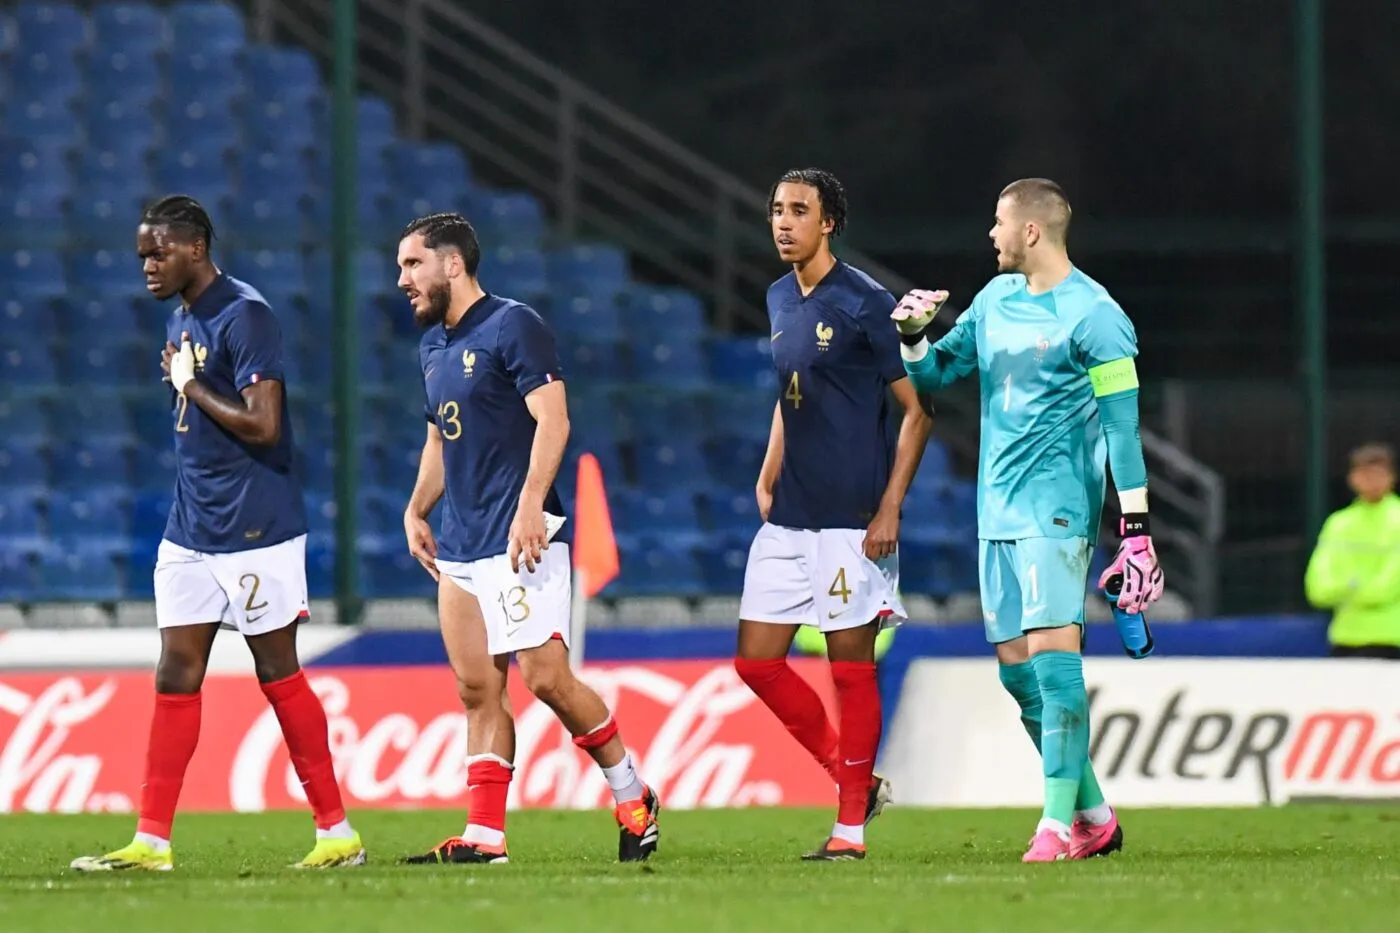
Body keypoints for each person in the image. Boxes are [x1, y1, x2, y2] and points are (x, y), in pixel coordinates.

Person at [71, 196, 363, 872]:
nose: (146, 264)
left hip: (255, 525)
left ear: (195, 247)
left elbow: (264, 424)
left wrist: (193, 385)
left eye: (157, 251)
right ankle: (152, 840)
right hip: (191, 528)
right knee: (176, 669)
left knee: (276, 670)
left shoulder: (245, 315)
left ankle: (337, 831)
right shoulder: (183, 316)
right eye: (143, 252)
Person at [891, 178, 1164, 862]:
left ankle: (1052, 823)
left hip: (1058, 507)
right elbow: (935, 379)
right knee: (1017, 671)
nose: (991, 234)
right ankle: (1095, 813)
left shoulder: (1096, 315)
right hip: (997, 509)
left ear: (1031, 232)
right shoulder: (995, 300)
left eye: (998, 222)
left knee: (1054, 659)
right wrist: (914, 341)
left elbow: (1124, 430)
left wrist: (1135, 530)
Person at [395, 212, 659, 865]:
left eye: (412, 265)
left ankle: (633, 793)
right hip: (459, 542)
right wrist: (415, 508)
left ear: (452, 263)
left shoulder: (514, 325)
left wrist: (531, 505)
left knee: (545, 678)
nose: (402, 280)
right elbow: (438, 436)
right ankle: (485, 835)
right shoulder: (432, 347)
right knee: (476, 689)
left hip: (521, 536)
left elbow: (554, 419)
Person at [734, 169, 933, 862]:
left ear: (830, 223)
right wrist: (768, 467)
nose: (783, 222)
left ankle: (849, 828)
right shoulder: (778, 296)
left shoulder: (865, 303)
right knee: (756, 663)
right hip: (790, 514)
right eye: (776, 210)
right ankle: (854, 779)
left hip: (852, 519)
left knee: (850, 671)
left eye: (798, 211)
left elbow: (918, 409)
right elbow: (791, 392)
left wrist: (889, 509)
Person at [1305, 442, 1400, 658]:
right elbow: (1317, 588)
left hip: (1391, 637)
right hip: (1344, 638)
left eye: (1377, 474)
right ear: (1352, 478)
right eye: (1364, 474)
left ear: (1391, 477)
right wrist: (1357, 587)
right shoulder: (1338, 523)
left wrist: (1346, 588)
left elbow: (1385, 589)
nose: (1370, 481)